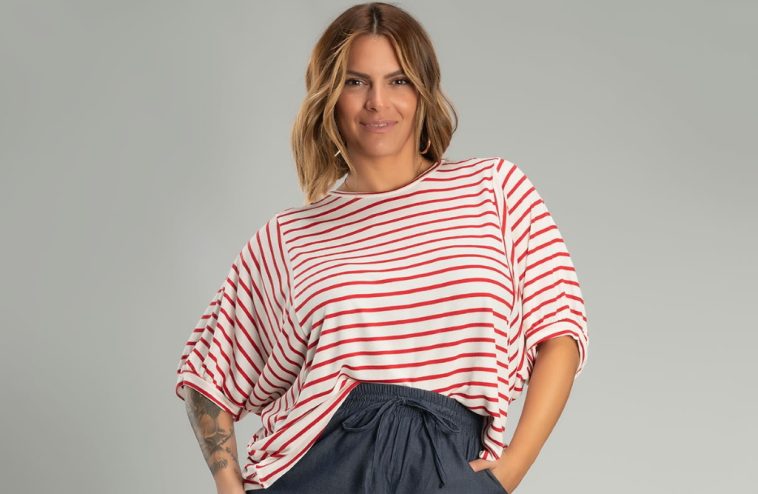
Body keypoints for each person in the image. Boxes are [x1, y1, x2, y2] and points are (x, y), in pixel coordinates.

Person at [174, 3, 589, 494]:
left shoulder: (493, 189)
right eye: (355, 82)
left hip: (447, 466)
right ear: (329, 95)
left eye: (398, 81)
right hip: (315, 472)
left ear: (423, 91)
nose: (377, 101)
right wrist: (229, 488)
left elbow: (560, 333)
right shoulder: (289, 237)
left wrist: (509, 470)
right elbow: (207, 376)